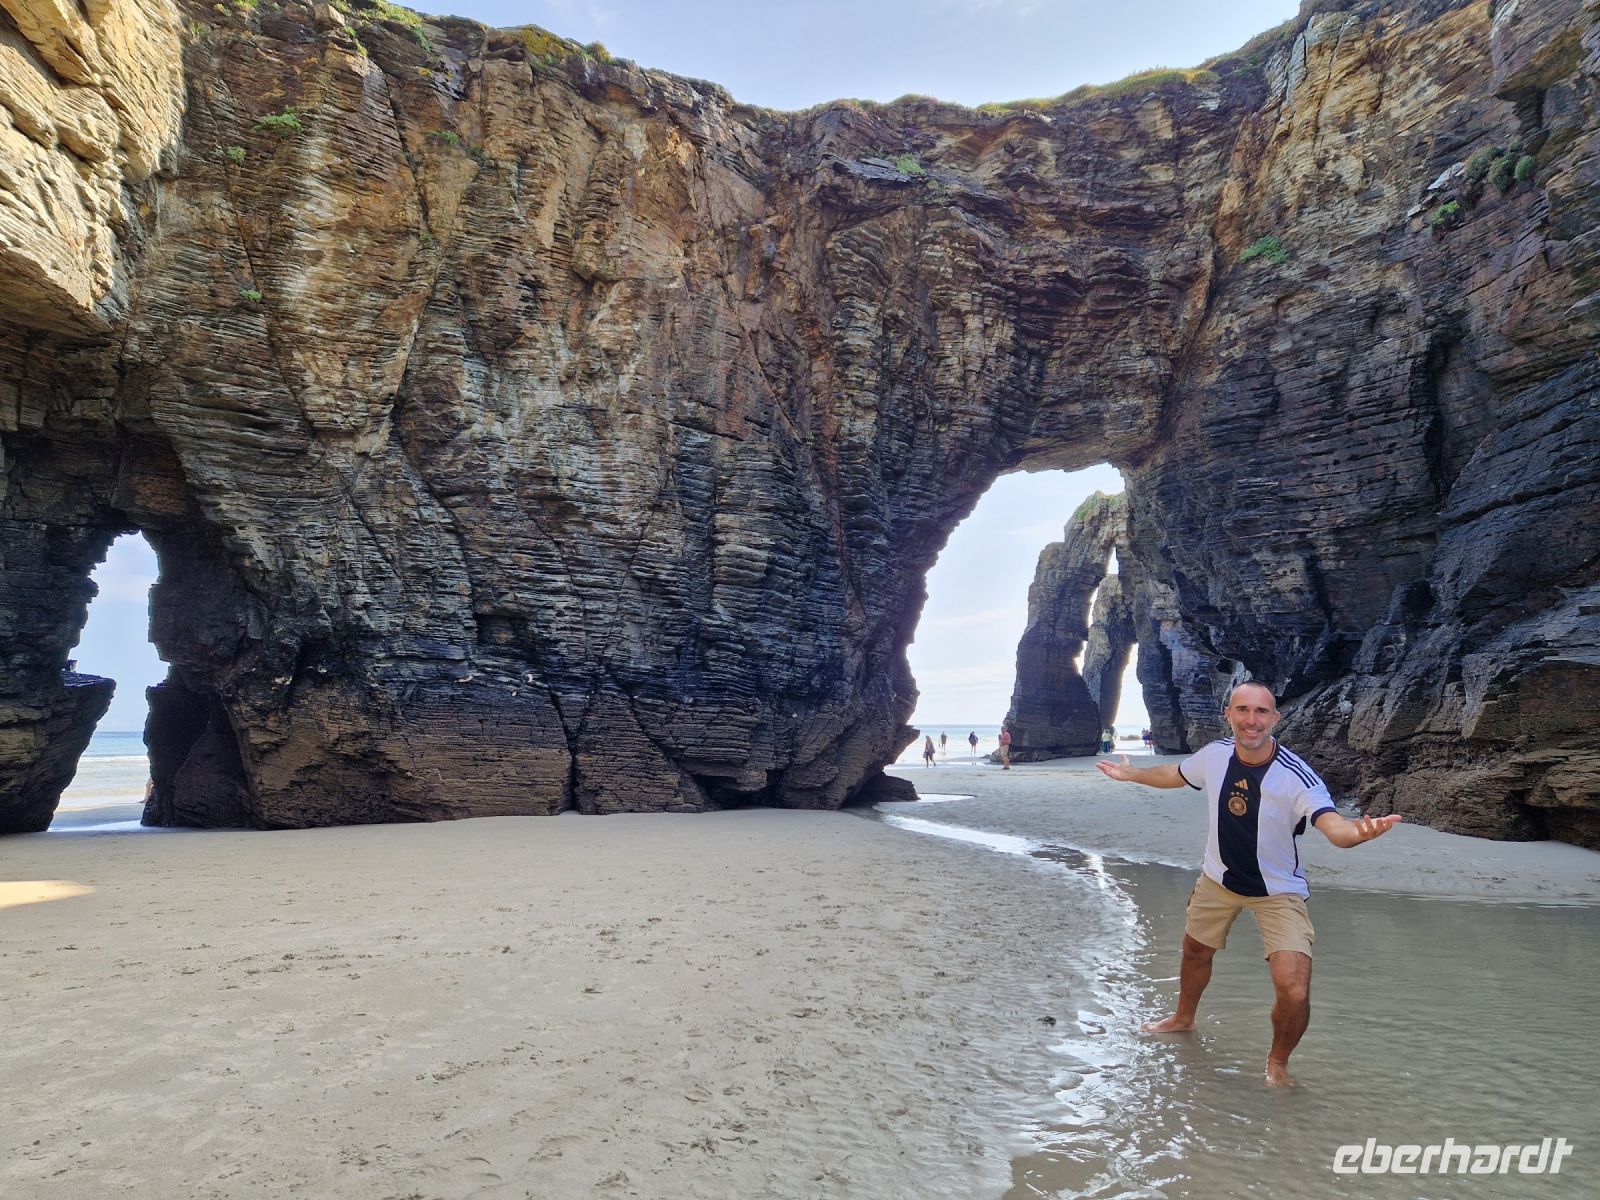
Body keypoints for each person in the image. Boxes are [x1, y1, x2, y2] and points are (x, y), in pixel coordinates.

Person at [1096, 680, 1401, 1087]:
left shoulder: (1297, 776)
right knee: (1194, 951)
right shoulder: (1216, 755)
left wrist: (1359, 832)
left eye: (1261, 712)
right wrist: (1133, 775)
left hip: (1278, 891)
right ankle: (1183, 1018)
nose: (1251, 720)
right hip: (1217, 879)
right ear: (1230, 715)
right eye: (1242, 710)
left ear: (1275, 718)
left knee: (1293, 989)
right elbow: (1176, 773)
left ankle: (1277, 1062)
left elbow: (1334, 828)